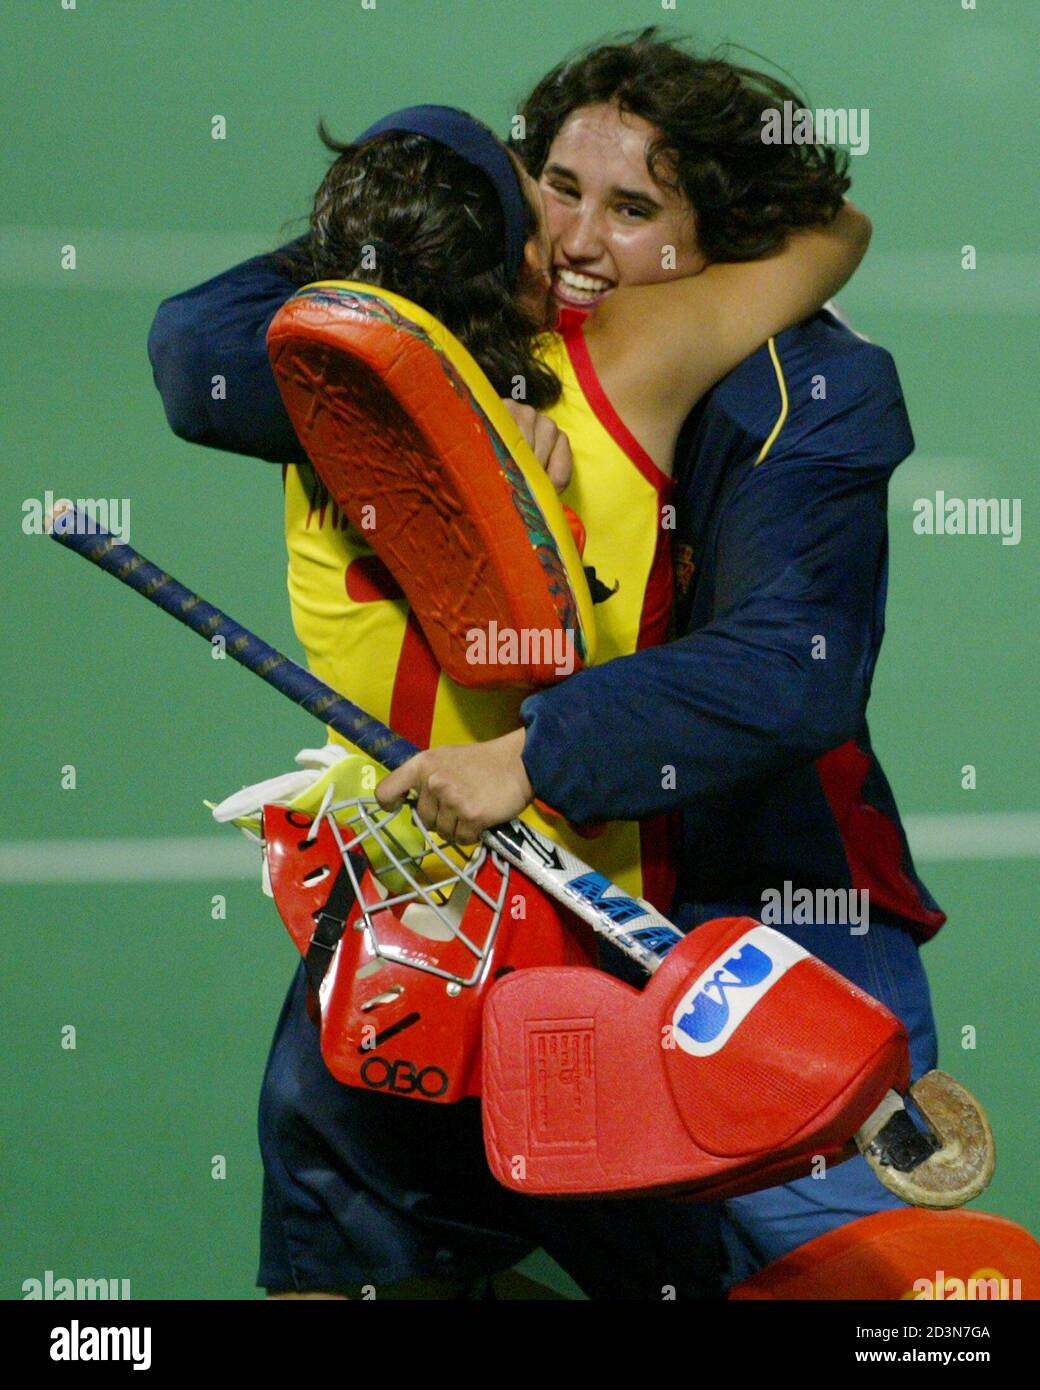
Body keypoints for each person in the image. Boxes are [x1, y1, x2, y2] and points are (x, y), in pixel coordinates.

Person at [147, 31, 937, 1299]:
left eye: (634, 211)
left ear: (720, 232)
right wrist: (445, 365)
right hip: (487, 916)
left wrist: (536, 755)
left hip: (756, 905)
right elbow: (202, 354)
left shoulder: (808, 387)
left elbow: (790, 672)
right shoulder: (462, 358)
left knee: (844, 1282)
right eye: (555, 192)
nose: (575, 241)